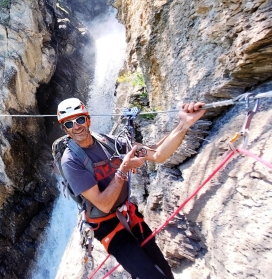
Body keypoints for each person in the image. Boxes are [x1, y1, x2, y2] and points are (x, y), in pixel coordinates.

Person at [57, 98, 206, 279]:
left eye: (79, 119)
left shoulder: (108, 142)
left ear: (88, 119)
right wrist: (123, 169)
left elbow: (157, 154)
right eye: (69, 123)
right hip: (107, 227)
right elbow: (103, 204)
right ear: (64, 129)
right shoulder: (71, 161)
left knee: (165, 273)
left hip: (129, 215)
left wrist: (183, 124)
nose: (76, 126)